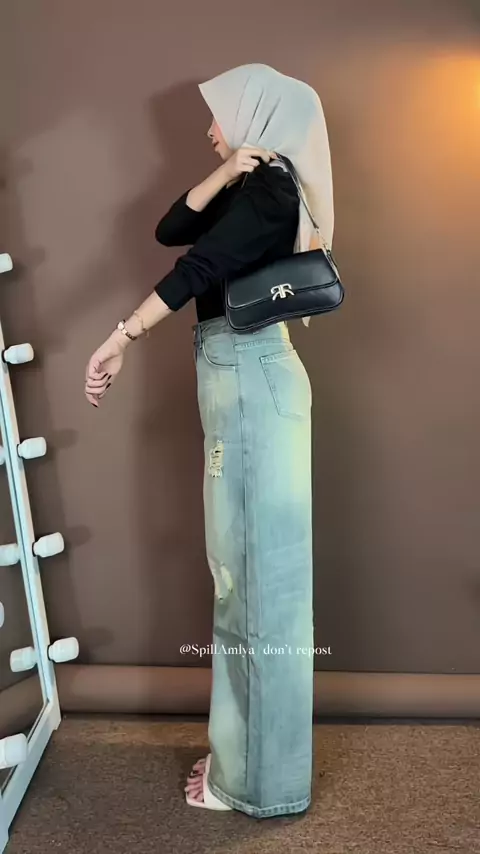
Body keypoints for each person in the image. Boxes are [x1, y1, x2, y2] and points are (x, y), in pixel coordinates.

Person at [84, 63, 334, 818]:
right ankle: (243, 758)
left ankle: (256, 783)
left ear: (256, 114)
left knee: (257, 588)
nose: (209, 128)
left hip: (250, 379)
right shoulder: (251, 185)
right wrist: (224, 169)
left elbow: (199, 266)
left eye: (220, 115)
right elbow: (172, 228)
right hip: (241, 379)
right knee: (242, 581)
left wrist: (122, 336)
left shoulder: (273, 192)